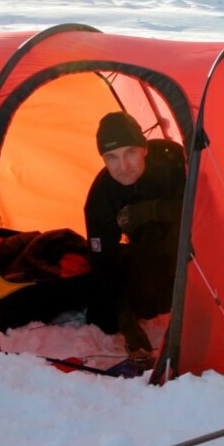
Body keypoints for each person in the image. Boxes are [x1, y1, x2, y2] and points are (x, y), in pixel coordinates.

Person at [84, 111, 185, 362]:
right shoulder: (102, 196)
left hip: (187, 251)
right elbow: (102, 261)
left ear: (144, 149)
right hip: (148, 254)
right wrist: (125, 320)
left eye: (130, 152)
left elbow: (207, 209)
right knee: (103, 315)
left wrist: (151, 210)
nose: (123, 166)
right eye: (112, 158)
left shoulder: (172, 164)